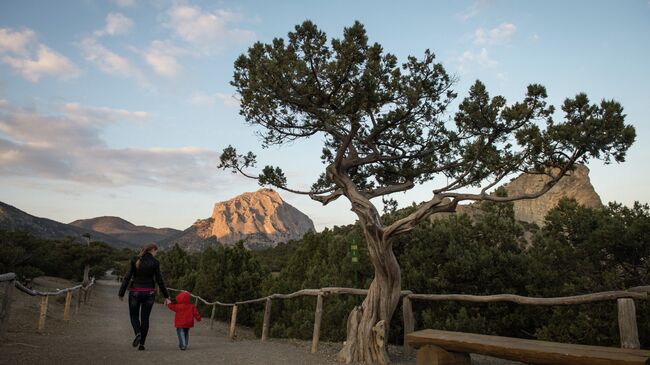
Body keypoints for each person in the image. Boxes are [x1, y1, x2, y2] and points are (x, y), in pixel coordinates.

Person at [118, 243, 171, 350]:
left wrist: (121, 292)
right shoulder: (155, 262)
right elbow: (160, 280)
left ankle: (138, 333)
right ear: (152, 250)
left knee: (134, 316)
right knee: (145, 319)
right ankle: (142, 344)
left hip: (135, 292)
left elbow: (127, 277)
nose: (156, 254)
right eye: (156, 251)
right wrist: (167, 296)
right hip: (149, 293)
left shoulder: (135, 260)